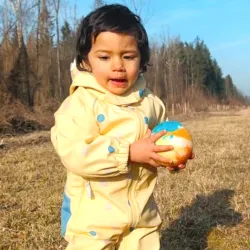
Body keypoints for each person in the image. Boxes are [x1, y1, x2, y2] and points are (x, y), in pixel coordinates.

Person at [51, 4, 191, 250]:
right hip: (93, 223)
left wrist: (172, 157)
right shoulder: (80, 104)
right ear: (86, 60)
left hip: (142, 220)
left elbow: (160, 141)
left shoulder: (151, 104)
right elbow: (74, 154)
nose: (118, 65)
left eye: (128, 56)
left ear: (142, 58)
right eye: (104, 57)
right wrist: (128, 153)